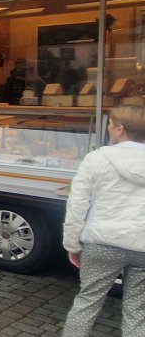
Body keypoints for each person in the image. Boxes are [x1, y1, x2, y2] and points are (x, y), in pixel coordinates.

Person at [62, 105, 145, 337]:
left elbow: (77, 206)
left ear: (120, 129)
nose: (108, 128)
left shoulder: (96, 159)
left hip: (101, 243)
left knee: (87, 301)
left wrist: (72, 245)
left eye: (110, 124)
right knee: (138, 310)